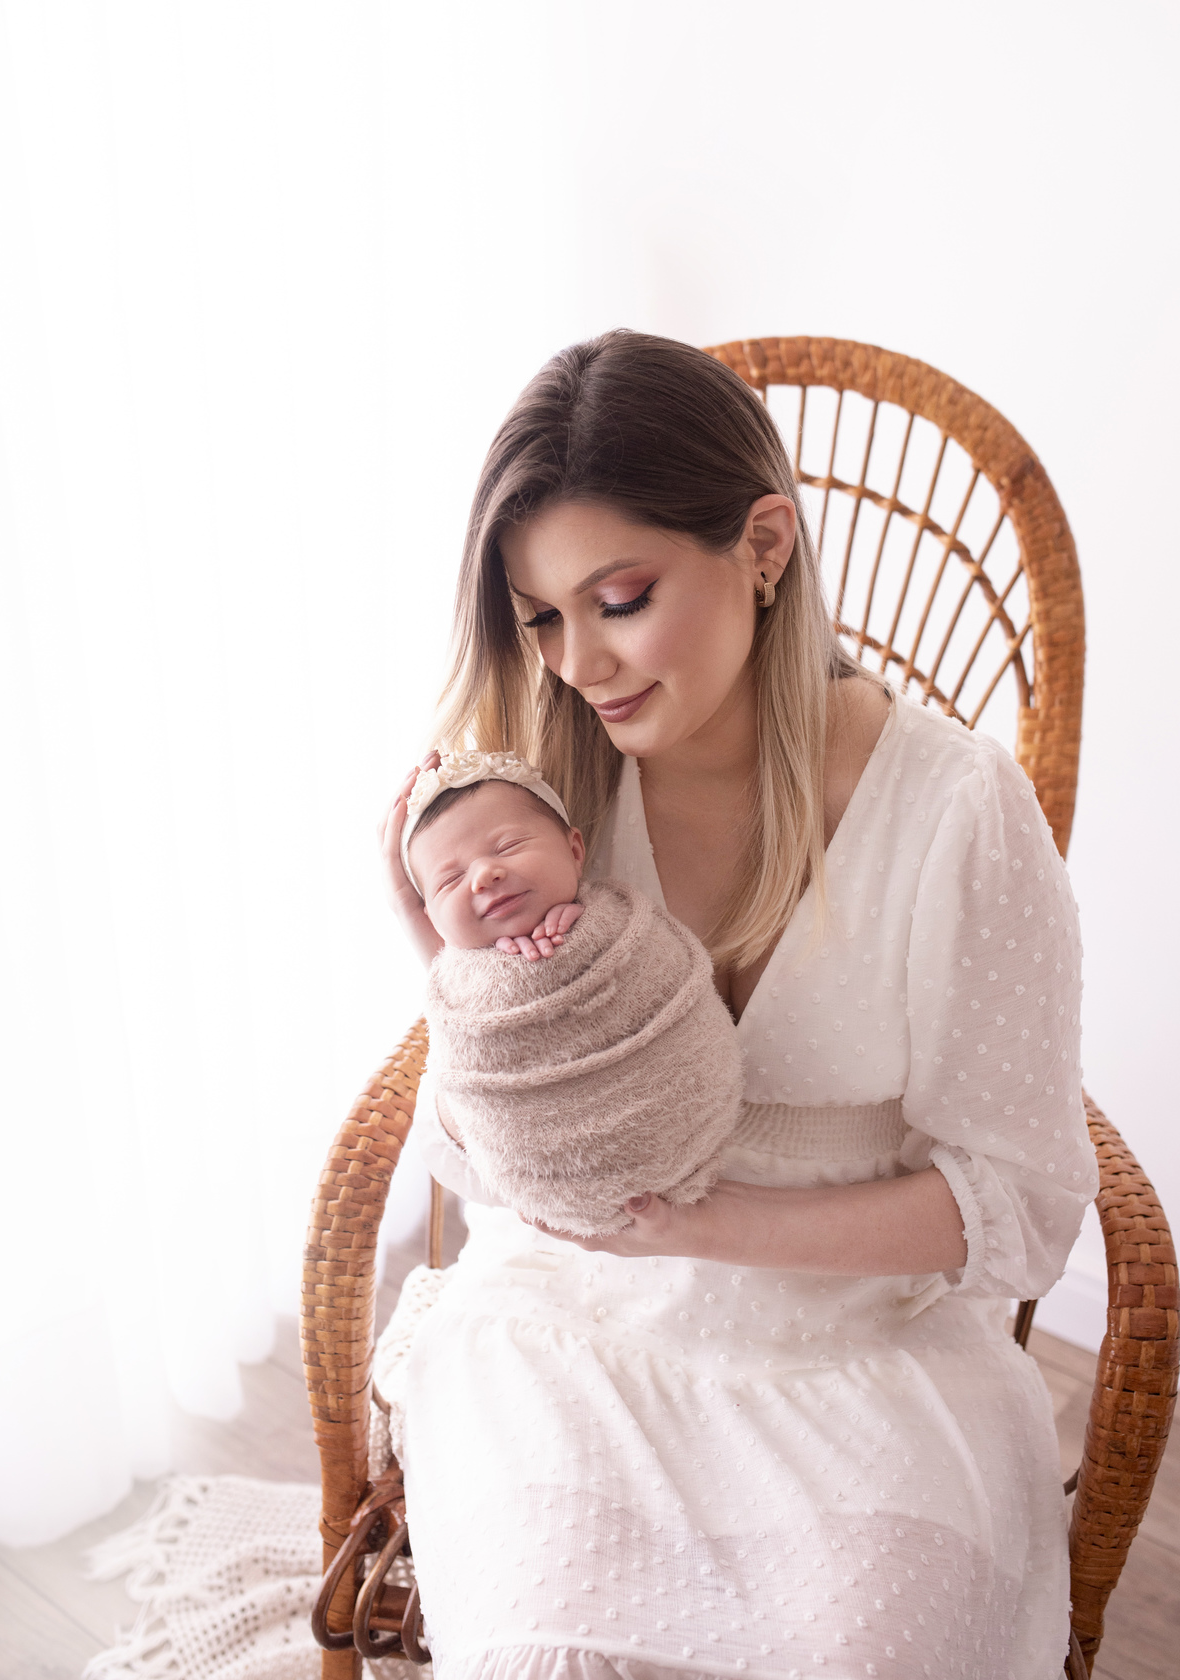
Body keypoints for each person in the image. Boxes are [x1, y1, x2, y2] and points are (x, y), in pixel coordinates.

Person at [379, 329, 1097, 1680]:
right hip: (571, 1333)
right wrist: (447, 965)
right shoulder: (539, 797)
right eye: (542, 617)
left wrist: (707, 1226)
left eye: (621, 598)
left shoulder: (957, 813)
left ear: (765, 546)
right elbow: (468, 1161)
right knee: (548, 1661)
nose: (579, 664)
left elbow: (1020, 1207)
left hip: (864, 1352)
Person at [402, 750, 742, 1236]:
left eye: (508, 845)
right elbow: (469, 1092)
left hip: (698, 1147)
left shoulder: (624, 920)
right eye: (451, 879)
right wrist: (497, 980)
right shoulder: (454, 990)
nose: (484, 875)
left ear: (576, 850)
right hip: (551, 1198)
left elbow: (676, 996)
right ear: (431, 917)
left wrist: (594, 938)